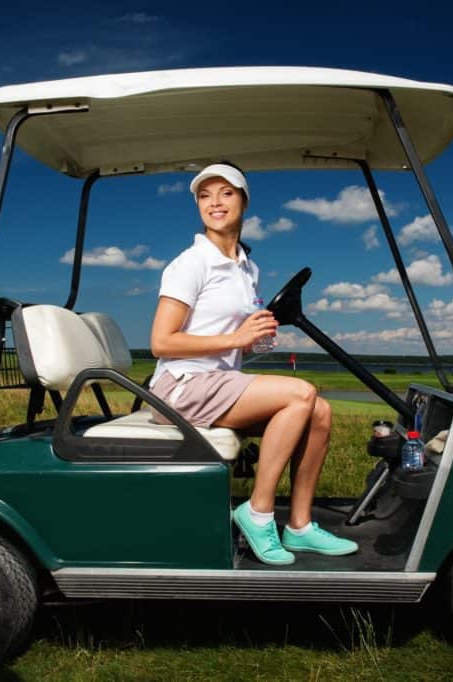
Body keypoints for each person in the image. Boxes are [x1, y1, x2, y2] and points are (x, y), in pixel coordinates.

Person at [149, 163, 358, 566]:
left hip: (217, 381)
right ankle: (258, 513)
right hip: (180, 387)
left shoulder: (247, 267)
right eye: (205, 195)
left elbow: (227, 342)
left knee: (320, 412)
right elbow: (161, 342)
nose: (215, 202)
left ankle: (299, 526)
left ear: (244, 201)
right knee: (300, 393)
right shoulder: (191, 263)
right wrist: (236, 339)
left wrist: (249, 344)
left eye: (226, 193)